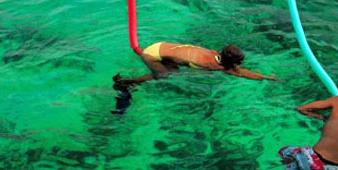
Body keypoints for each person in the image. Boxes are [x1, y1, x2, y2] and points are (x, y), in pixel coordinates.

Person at [111, 42, 277, 111]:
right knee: (165, 75)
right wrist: (266, 78)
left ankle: (132, 82)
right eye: (237, 62)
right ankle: (126, 83)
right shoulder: (213, 65)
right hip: (151, 54)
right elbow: (242, 74)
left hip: (161, 47)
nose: (237, 65)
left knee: (174, 72)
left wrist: (264, 77)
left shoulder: (213, 54)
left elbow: (238, 69)